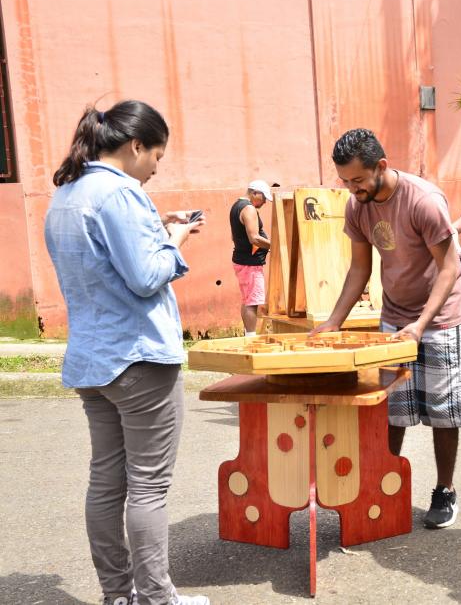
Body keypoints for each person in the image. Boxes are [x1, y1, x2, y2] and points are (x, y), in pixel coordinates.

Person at [44, 101, 208, 605]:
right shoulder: (121, 192)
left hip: (93, 361)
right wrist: (176, 238)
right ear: (136, 146)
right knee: (149, 488)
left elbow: (106, 265)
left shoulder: (67, 194)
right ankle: (157, 598)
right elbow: (144, 278)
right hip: (139, 360)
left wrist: (158, 230)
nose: (157, 167)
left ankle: (118, 594)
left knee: (107, 482)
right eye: (156, 155)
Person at [309, 128, 461, 530]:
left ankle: (445, 489)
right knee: (392, 409)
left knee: (443, 411)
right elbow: (360, 269)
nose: (352, 189)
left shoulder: (424, 200)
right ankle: (382, 486)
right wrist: (334, 321)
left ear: (381, 166)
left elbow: (450, 268)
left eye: (357, 180)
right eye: (344, 181)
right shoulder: (358, 207)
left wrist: (421, 325)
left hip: (439, 320)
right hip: (395, 316)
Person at [230, 180, 273, 335]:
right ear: (255, 193)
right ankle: (251, 337)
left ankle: (248, 334)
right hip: (249, 263)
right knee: (252, 302)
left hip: (243, 260)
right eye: (264, 199)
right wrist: (274, 245)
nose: (264, 203)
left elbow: (233, 236)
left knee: (248, 299)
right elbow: (254, 238)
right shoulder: (248, 209)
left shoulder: (236, 206)